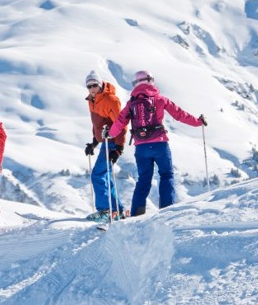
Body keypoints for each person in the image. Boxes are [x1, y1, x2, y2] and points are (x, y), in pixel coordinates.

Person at [105, 70, 207, 217]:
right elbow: (179, 114)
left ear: (136, 84)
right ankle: (166, 211)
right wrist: (198, 122)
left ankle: (137, 214)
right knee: (166, 175)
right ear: (151, 80)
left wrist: (109, 134)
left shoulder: (131, 103)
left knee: (144, 180)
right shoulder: (159, 99)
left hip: (141, 147)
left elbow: (120, 122)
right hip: (160, 144)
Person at [83, 70, 126, 223]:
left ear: (100, 84)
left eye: (95, 85)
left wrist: (118, 148)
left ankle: (105, 210)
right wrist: (94, 143)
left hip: (112, 140)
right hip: (104, 141)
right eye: (89, 86)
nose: (92, 89)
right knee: (106, 176)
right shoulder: (91, 100)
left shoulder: (111, 100)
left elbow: (121, 124)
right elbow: (98, 125)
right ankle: (117, 210)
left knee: (98, 174)